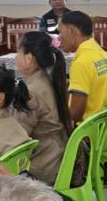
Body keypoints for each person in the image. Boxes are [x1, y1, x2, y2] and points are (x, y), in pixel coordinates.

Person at [10, 29, 71, 183]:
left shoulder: (31, 91)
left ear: (29, 58)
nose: (16, 57)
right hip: (55, 156)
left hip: (42, 167)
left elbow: (18, 136)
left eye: (18, 52)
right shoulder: (46, 80)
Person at [58, 10, 107, 124]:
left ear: (71, 31)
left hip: (87, 129)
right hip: (104, 123)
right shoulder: (102, 54)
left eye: (60, 32)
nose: (59, 37)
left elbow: (75, 114)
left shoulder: (82, 62)